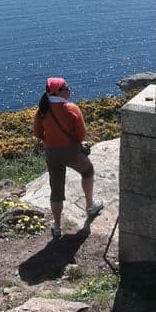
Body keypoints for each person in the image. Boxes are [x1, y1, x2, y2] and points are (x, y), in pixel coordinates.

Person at [33, 77, 104, 239]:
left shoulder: (42, 110)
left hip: (51, 153)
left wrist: (52, 140)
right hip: (71, 152)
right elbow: (81, 135)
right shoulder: (71, 108)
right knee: (88, 170)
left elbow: (37, 133)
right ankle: (90, 206)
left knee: (56, 191)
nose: (69, 90)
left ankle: (57, 227)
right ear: (58, 92)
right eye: (66, 87)